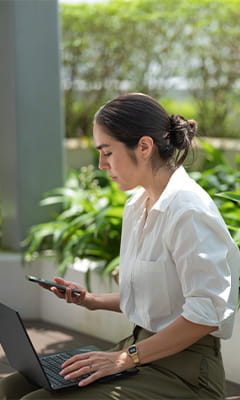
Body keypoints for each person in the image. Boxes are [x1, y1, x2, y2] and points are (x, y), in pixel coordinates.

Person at [1, 93, 239, 400]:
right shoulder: (137, 205)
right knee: (12, 385)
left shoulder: (189, 211)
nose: (101, 165)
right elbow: (160, 300)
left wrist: (124, 359)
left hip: (187, 370)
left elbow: (206, 315)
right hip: (142, 350)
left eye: (107, 152)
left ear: (143, 146)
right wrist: (90, 300)